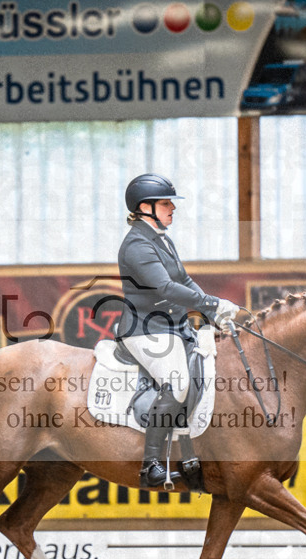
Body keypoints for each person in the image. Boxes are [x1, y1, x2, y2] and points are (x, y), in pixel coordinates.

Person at [116, 173, 239, 488]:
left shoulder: (161, 238)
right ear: (146, 206)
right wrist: (211, 300)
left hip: (174, 327)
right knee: (178, 383)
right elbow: (167, 288)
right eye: (166, 203)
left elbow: (183, 280)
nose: (173, 208)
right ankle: (151, 464)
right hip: (145, 330)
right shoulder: (136, 245)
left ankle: (190, 451)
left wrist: (213, 309)